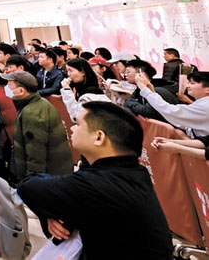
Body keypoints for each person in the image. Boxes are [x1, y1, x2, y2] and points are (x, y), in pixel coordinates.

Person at [18, 102, 172, 259]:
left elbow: (28, 186)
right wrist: (53, 212)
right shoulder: (135, 173)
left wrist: (52, 209)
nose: (72, 128)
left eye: (77, 124)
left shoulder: (98, 185)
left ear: (99, 137)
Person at [4, 71, 73, 178]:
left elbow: (35, 153)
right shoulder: (40, 103)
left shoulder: (32, 113)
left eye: (9, 84)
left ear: (21, 91)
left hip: (47, 177)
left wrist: (33, 180)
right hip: (54, 173)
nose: (6, 88)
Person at [134, 70, 209, 137]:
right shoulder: (203, 103)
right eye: (188, 82)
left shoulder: (205, 105)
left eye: (192, 83)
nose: (187, 86)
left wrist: (144, 89)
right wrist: (150, 90)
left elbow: (170, 110)